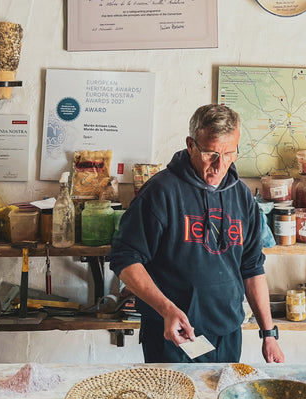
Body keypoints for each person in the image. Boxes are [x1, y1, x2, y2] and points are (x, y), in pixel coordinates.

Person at [109, 104, 285, 364]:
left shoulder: (242, 196)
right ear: (191, 145)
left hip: (227, 335)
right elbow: (125, 259)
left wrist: (268, 334)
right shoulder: (161, 192)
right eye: (211, 153)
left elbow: (252, 267)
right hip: (172, 335)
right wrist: (166, 308)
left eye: (229, 154)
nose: (219, 165)